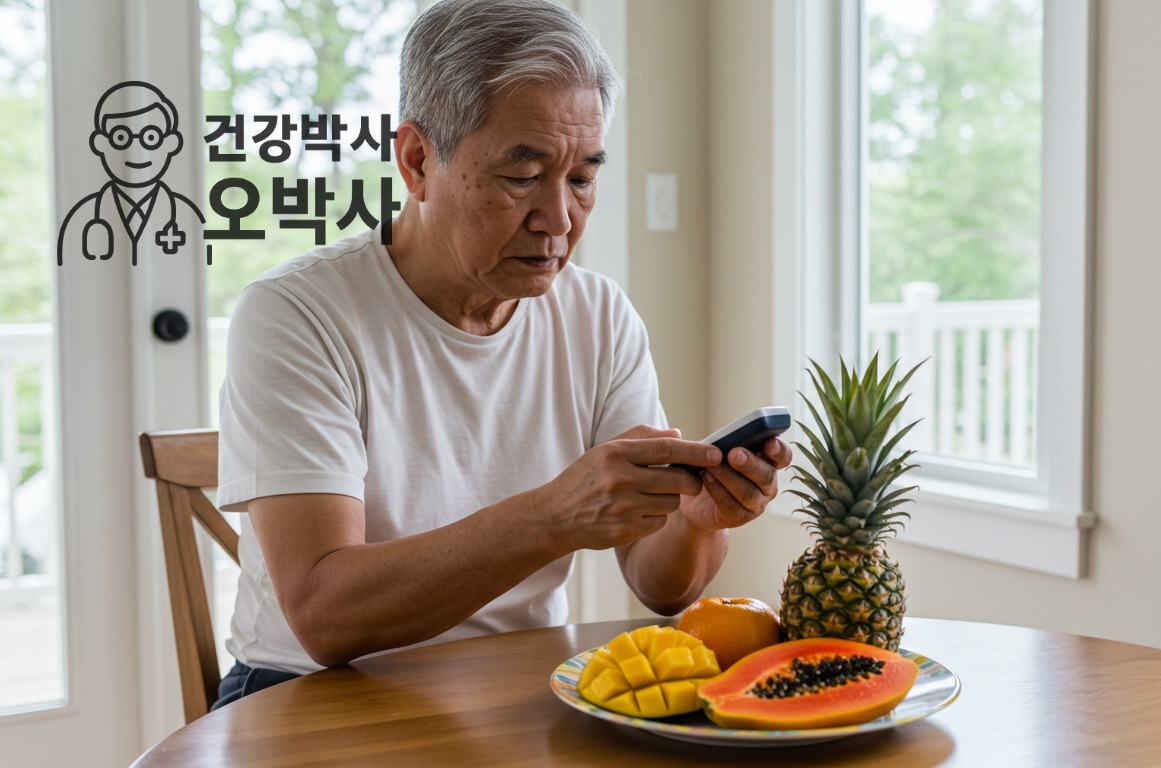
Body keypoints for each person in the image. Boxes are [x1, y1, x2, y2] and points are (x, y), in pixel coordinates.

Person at [212, 0, 791, 709]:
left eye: (582, 178)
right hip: (309, 697)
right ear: (418, 161)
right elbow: (326, 616)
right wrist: (553, 515)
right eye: (523, 176)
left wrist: (697, 525)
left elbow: (659, 582)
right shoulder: (298, 313)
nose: (558, 219)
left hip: (517, 690)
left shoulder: (598, 314)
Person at [56, 81, 205, 266]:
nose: (136, 148)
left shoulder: (188, 215)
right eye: (120, 137)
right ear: (100, 143)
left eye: (151, 137)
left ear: (171, 142)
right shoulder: (79, 217)